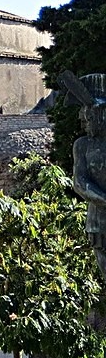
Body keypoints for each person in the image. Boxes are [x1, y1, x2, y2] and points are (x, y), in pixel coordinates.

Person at [69, 73, 106, 279]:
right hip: (99, 224)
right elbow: (80, 181)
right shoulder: (82, 145)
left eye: (88, 116)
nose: (83, 121)